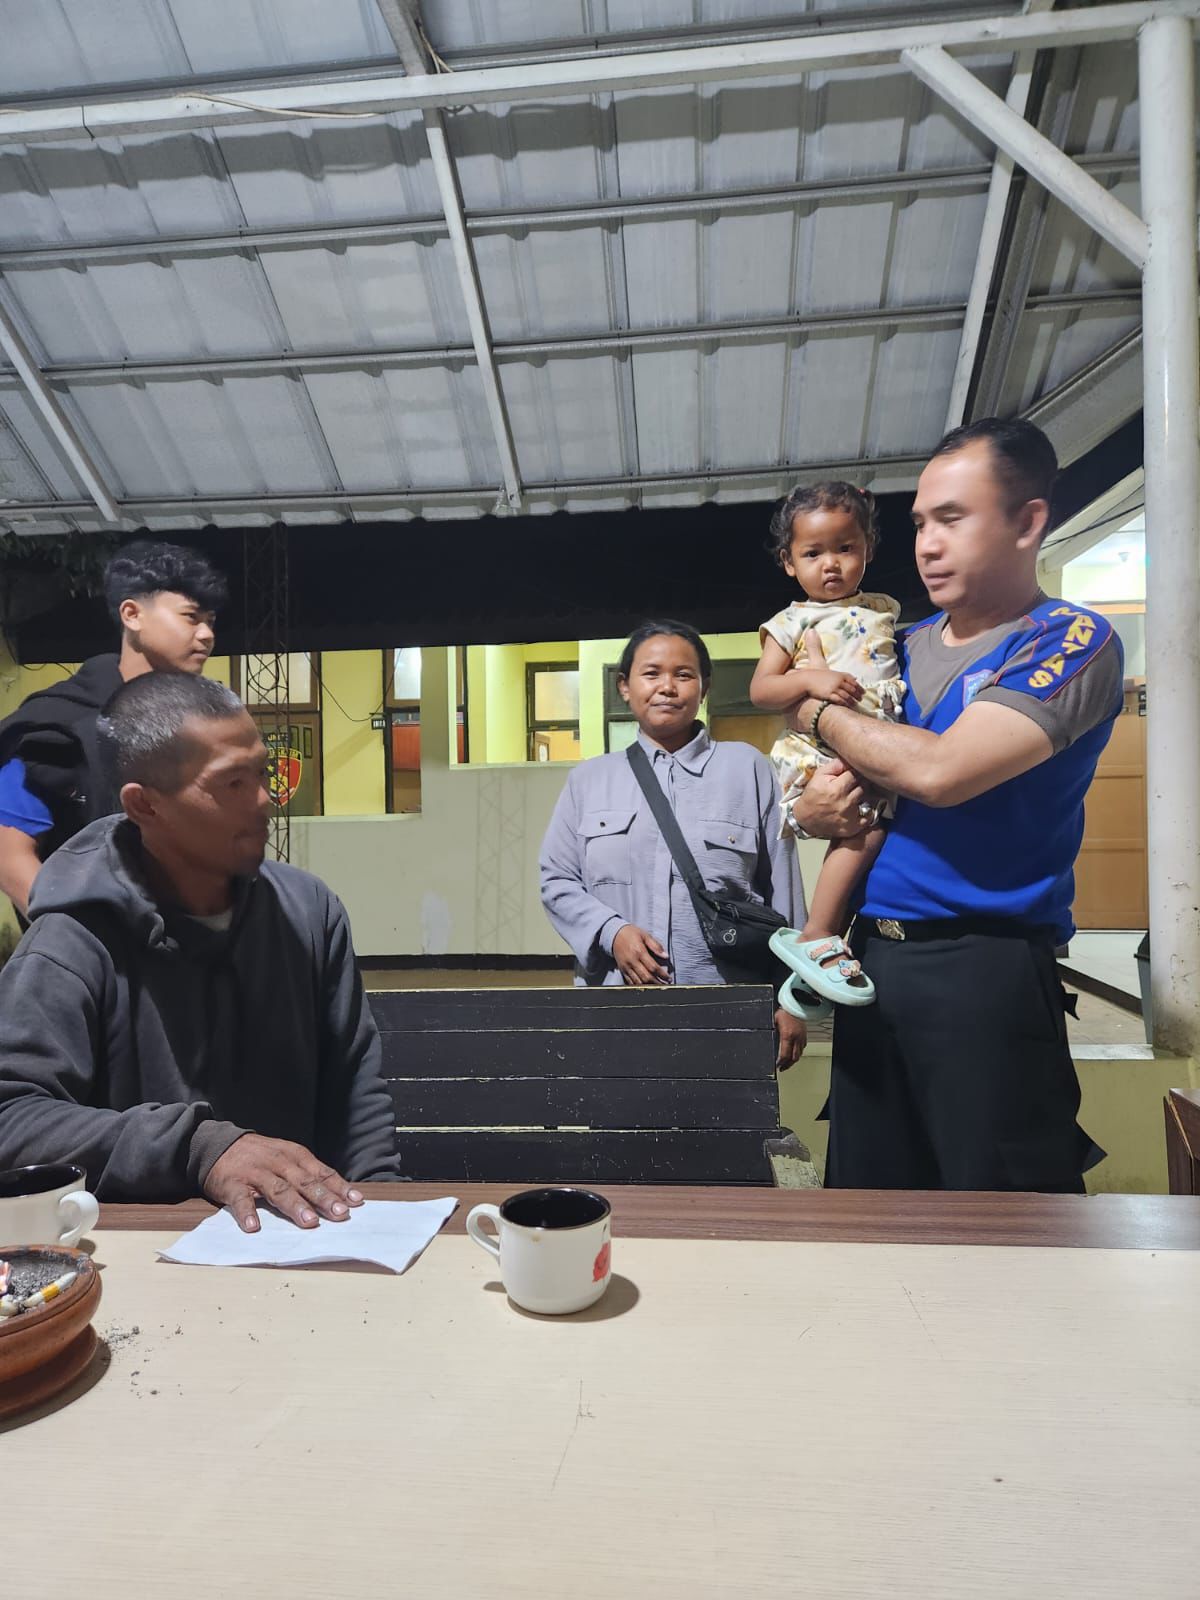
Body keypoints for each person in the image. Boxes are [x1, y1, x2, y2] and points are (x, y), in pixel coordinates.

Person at [789, 417, 1123, 1192]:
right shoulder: (894, 647)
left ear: (1027, 521)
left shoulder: (1067, 640)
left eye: (952, 519)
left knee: (1003, 1212)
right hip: (871, 960)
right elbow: (838, 792)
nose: (928, 545)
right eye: (919, 525)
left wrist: (814, 712)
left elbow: (940, 773)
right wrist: (813, 810)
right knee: (869, 1204)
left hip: (984, 966)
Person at [0, 672, 400, 1230]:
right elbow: (11, 1118)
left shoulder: (309, 912)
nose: (264, 801)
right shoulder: (72, 941)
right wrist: (197, 1148)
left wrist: (383, 1213)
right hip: (147, 1252)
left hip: (307, 1238)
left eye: (263, 773)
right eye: (232, 783)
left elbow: (355, 1095)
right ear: (145, 805)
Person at [539, 620, 808, 1069]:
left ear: (704, 688)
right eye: (651, 673)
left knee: (727, 1115)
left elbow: (786, 893)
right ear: (625, 687)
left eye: (683, 674)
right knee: (617, 1113)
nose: (667, 686)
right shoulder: (588, 781)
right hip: (616, 1007)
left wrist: (792, 999)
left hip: (728, 1009)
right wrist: (612, 932)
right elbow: (557, 881)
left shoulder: (748, 770)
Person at [0, 539, 227, 919]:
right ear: (132, 615)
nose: (206, 634)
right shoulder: (56, 727)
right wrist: (76, 937)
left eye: (211, 621)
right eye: (191, 617)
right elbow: (10, 857)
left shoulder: (205, 728)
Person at [750, 482, 903, 1011]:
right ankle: (818, 935)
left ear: (868, 549)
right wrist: (810, 680)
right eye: (813, 553)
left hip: (875, 746)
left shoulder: (882, 609)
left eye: (845, 548)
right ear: (789, 562)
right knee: (865, 832)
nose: (831, 564)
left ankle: (812, 970)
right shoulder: (792, 621)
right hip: (822, 750)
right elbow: (762, 689)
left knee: (872, 836)